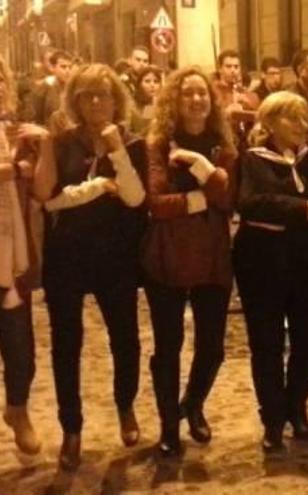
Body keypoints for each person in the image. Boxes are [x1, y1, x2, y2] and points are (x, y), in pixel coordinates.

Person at [29, 63, 147, 471]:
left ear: (116, 98)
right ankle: (71, 428)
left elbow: (134, 199)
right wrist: (99, 187)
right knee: (66, 345)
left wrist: (116, 151)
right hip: (68, 257)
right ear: (75, 101)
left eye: (103, 94)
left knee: (126, 340)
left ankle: (126, 406)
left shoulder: (132, 142)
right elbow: (47, 199)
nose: (96, 101)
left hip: (116, 257)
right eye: (87, 95)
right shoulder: (62, 143)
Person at [142, 67, 238, 458]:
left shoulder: (226, 148)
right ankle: (168, 426)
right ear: (174, 101)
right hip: (166, 256)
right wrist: (203, 194)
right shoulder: (158, 143)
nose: (196, 100)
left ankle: (193, 403)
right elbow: (157, 204)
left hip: (213, 257)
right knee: (168, 347)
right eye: (187, 94)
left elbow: (229, 200)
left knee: (213, 347)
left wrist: (198, 163)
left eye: (202, 93)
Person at [234, 92, 308, 453]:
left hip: (307, 263)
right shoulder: (253, 160)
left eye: (303, 117)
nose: (300, 125)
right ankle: (273, 417)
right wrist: (300, 209)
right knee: (267, 343)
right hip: (262, 264)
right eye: (291, 118)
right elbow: (249, 203)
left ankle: (297, 405)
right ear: (270, 123)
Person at [0, 55, 42, 456]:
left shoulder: (13, 131)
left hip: (11, 254)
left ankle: (17, 409)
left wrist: (32, 161)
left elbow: (41, 184)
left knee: (21, 349)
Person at [31, 50, 73, 126]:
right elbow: (37, 117)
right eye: (63, 67)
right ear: (53, 68)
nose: (68, 70)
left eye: (70, 67)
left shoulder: (73, 88)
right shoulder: (44, 88)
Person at [131, 66, 163, 136]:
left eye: (156, 81)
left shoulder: (158, 104)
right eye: (147, 81)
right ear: (139, 84)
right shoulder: (131, 106)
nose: (152, 85)